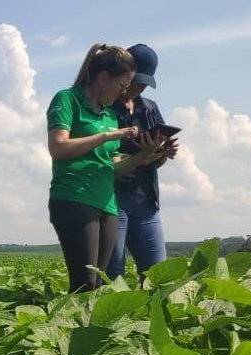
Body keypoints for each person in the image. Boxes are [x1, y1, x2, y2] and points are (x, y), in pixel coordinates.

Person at [47, 43, 165, 293]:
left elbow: (114, 168)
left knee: (101, 284)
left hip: (107, 203)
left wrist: (146, 155)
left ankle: (96, 330)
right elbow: (58, 147)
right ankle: (75, 331)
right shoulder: (67, 99)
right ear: (103, 78)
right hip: (75, 198)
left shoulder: (108, 115)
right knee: (85, 283)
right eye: (122, 85)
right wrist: (107, 137)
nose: (125, 92)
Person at [106, 44, 178, 282]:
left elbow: (153, 163)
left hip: (146, 199)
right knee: (112, 273)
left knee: (157, 275)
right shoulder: (103, 108)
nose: (140, 86)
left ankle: (153, 319)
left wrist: (162, 153)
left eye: (145, 82)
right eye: (137, 80)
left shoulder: (150, 109)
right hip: (112, 198)